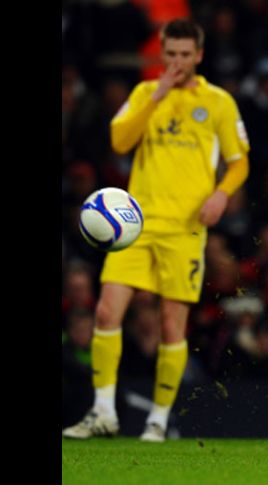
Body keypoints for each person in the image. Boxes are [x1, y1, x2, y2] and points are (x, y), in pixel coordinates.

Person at [63, 18, 250, 443]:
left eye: (185, 54)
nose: (177, 62)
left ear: (199, 55)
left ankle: (158, 421)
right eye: (170, 54)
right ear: (161, 54)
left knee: (171, 324)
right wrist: (157, 96)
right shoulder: (145, 93)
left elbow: (240, 162)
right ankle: (103, 412)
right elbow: (119, 141)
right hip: (135, 225)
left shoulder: (218, 102)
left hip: (185, 228)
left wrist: (221, 195)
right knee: (106, 312)